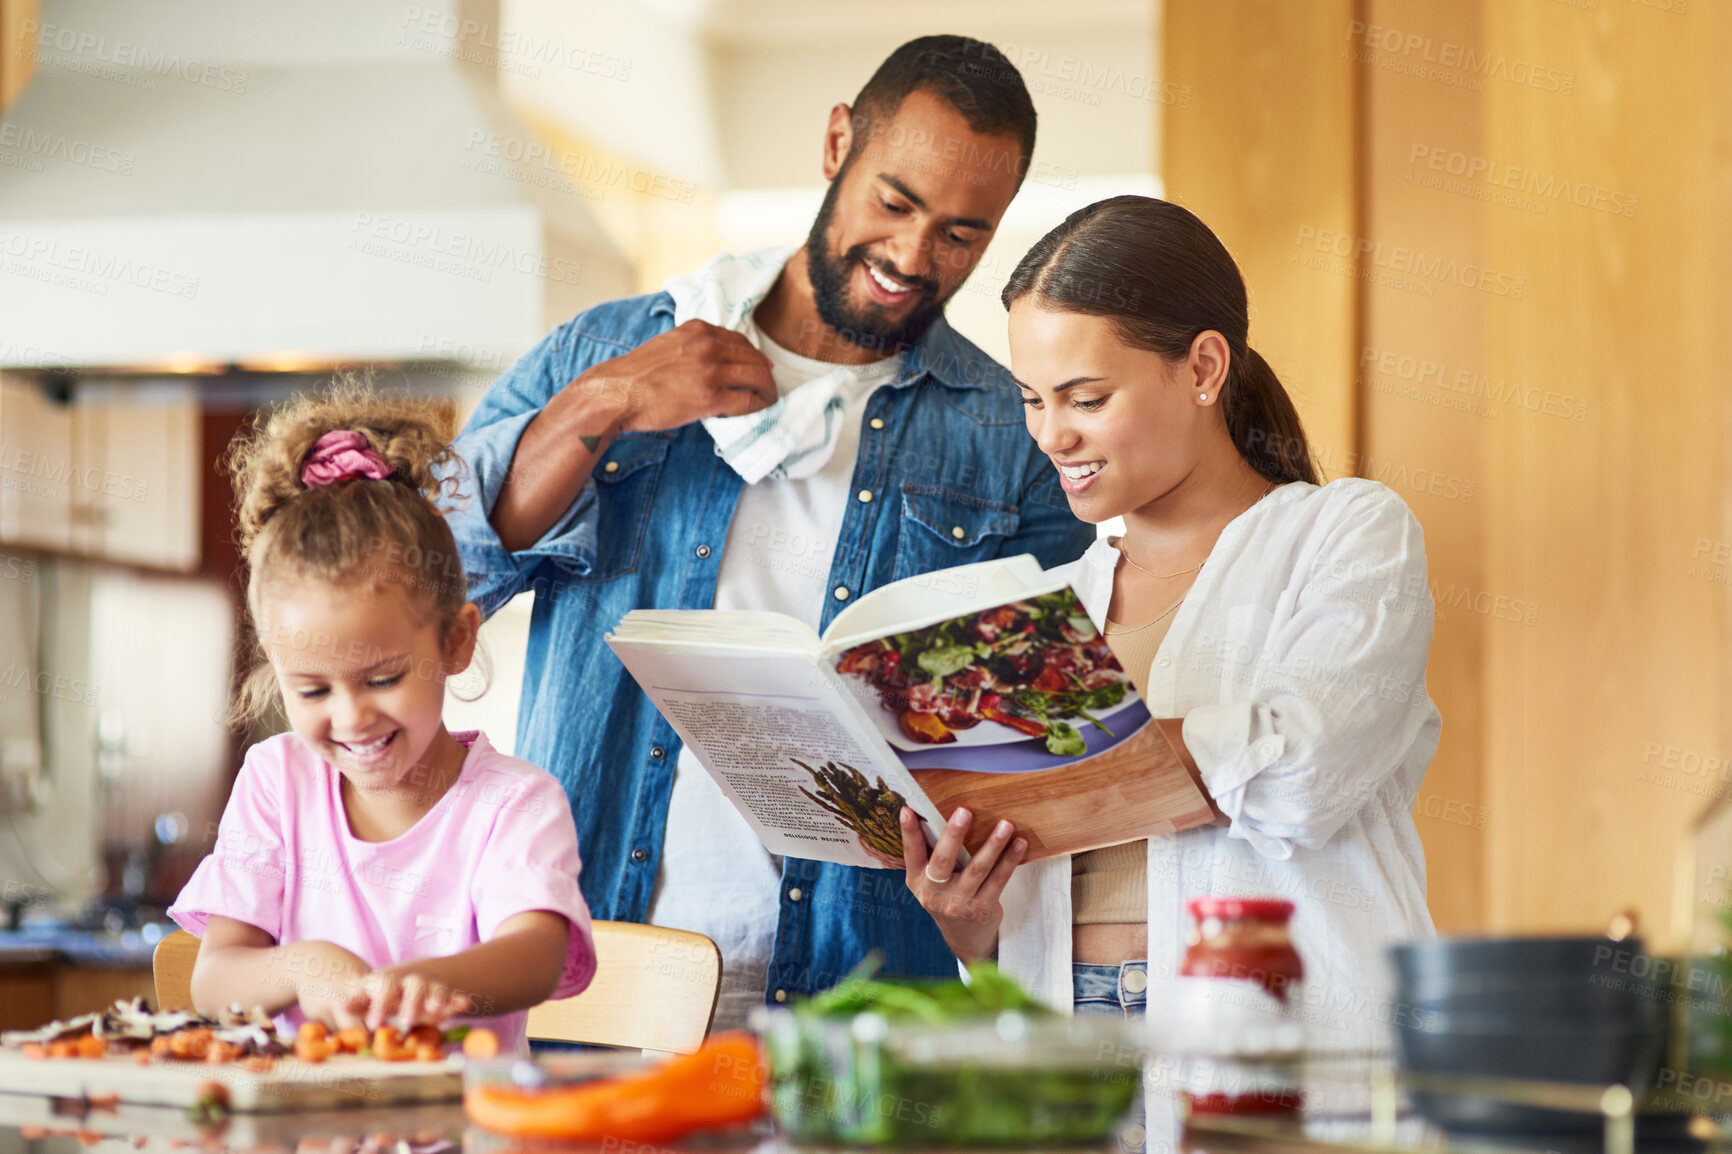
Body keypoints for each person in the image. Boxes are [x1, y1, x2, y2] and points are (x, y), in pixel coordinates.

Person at [448, 36, 1093, 1029]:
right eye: (895, 201)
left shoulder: (1007, 434)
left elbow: (1060, 727)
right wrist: (604, 403)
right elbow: (440, 577)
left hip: (867, 1006)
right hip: (599, 978)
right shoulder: (609, 350)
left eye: (961, 234)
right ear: (838, 140)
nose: (913, 258)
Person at [899, 195, 1440, 1051]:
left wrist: (1072, 753)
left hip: (1284, 1039)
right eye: (1033, 399)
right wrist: (970, 921)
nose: (1051, 436)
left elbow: (1305, 770)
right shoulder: (1053, 606)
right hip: (1068, 1047)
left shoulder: (1346, 533)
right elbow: (1017, 937)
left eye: (1085, 398)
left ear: (1202, 369)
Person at [169, 385, 596, 1052]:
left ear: (455, 641)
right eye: (312, 692)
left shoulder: (515, 804)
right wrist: (302, 965)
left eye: (382, 678)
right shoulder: (277, 780)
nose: (352, 717)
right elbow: (214, 979)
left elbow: (537, 953)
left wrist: (427, 983)